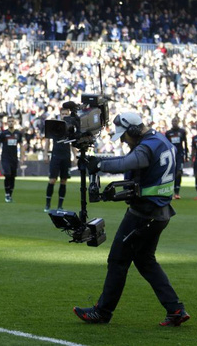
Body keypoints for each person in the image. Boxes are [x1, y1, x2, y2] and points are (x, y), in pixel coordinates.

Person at [75, 112, 190, 327]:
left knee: (118, 260)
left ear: (134, 130)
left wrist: (99, 165)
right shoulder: (160, 140)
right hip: (159, 213)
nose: (122, 140)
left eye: (124, 135)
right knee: (145, 261)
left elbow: (130, 162)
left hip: (144, 214)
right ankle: (175, 309)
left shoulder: (147, 147)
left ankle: (102, 312)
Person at [44, 107, 76, 212]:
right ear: (60, 114)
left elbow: (73, 143)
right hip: (55, 156)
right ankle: (47, 205)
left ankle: (60, 206)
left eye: (66, 114)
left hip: (66, 157)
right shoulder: (55, 126)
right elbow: (48, 141)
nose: (64, 116)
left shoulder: (71, 127)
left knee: (63, 181)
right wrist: (45, 153)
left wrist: (75, 156)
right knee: (52, 180)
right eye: (63, 114)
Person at [0, 116, 25, 203]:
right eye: (9, 121)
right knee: (7, 174)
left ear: (14, 122)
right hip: (5, 157)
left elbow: (21, 145)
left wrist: (22, 157)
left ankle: (10, 194)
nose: (11, 123)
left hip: (14, 158)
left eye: (12, 121)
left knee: (12, 177)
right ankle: (7, 194)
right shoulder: (3, 133)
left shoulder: (18, 133)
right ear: (7, 123)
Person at [164, 117, 188, 199]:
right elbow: (166, 144)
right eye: (173, 121)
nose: (174, 122)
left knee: (179, 173)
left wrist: (186, 155)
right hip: (171, 154)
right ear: (171, 122)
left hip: (179, 155)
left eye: (176, 121)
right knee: (172, 173)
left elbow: (185, 143)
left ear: (178, 122)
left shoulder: (182, 132)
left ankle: (177, 192)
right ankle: (171, 191)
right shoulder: (168, 133)